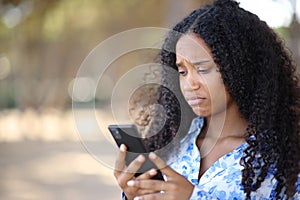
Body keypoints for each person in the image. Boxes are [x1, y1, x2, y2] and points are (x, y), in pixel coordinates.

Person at [113, 0, 300, 199]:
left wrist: (194, 196)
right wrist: (134, 195)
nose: (190, 84)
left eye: (202, 69)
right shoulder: (174, 142)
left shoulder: (283, 158)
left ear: (240, 68)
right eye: (182, 71)